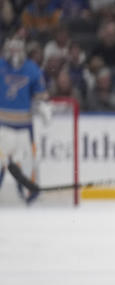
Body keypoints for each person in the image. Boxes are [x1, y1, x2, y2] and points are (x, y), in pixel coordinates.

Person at [0, 36, 50, 204]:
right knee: (1, 161)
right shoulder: (0, 66)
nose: (13, 54)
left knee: (26, 162)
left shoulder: (32, 69)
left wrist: (42, 107)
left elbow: (39, 95)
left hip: (24, 126)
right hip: (2, 124)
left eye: (17, 50)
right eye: (10, 49)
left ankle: (29, 194)